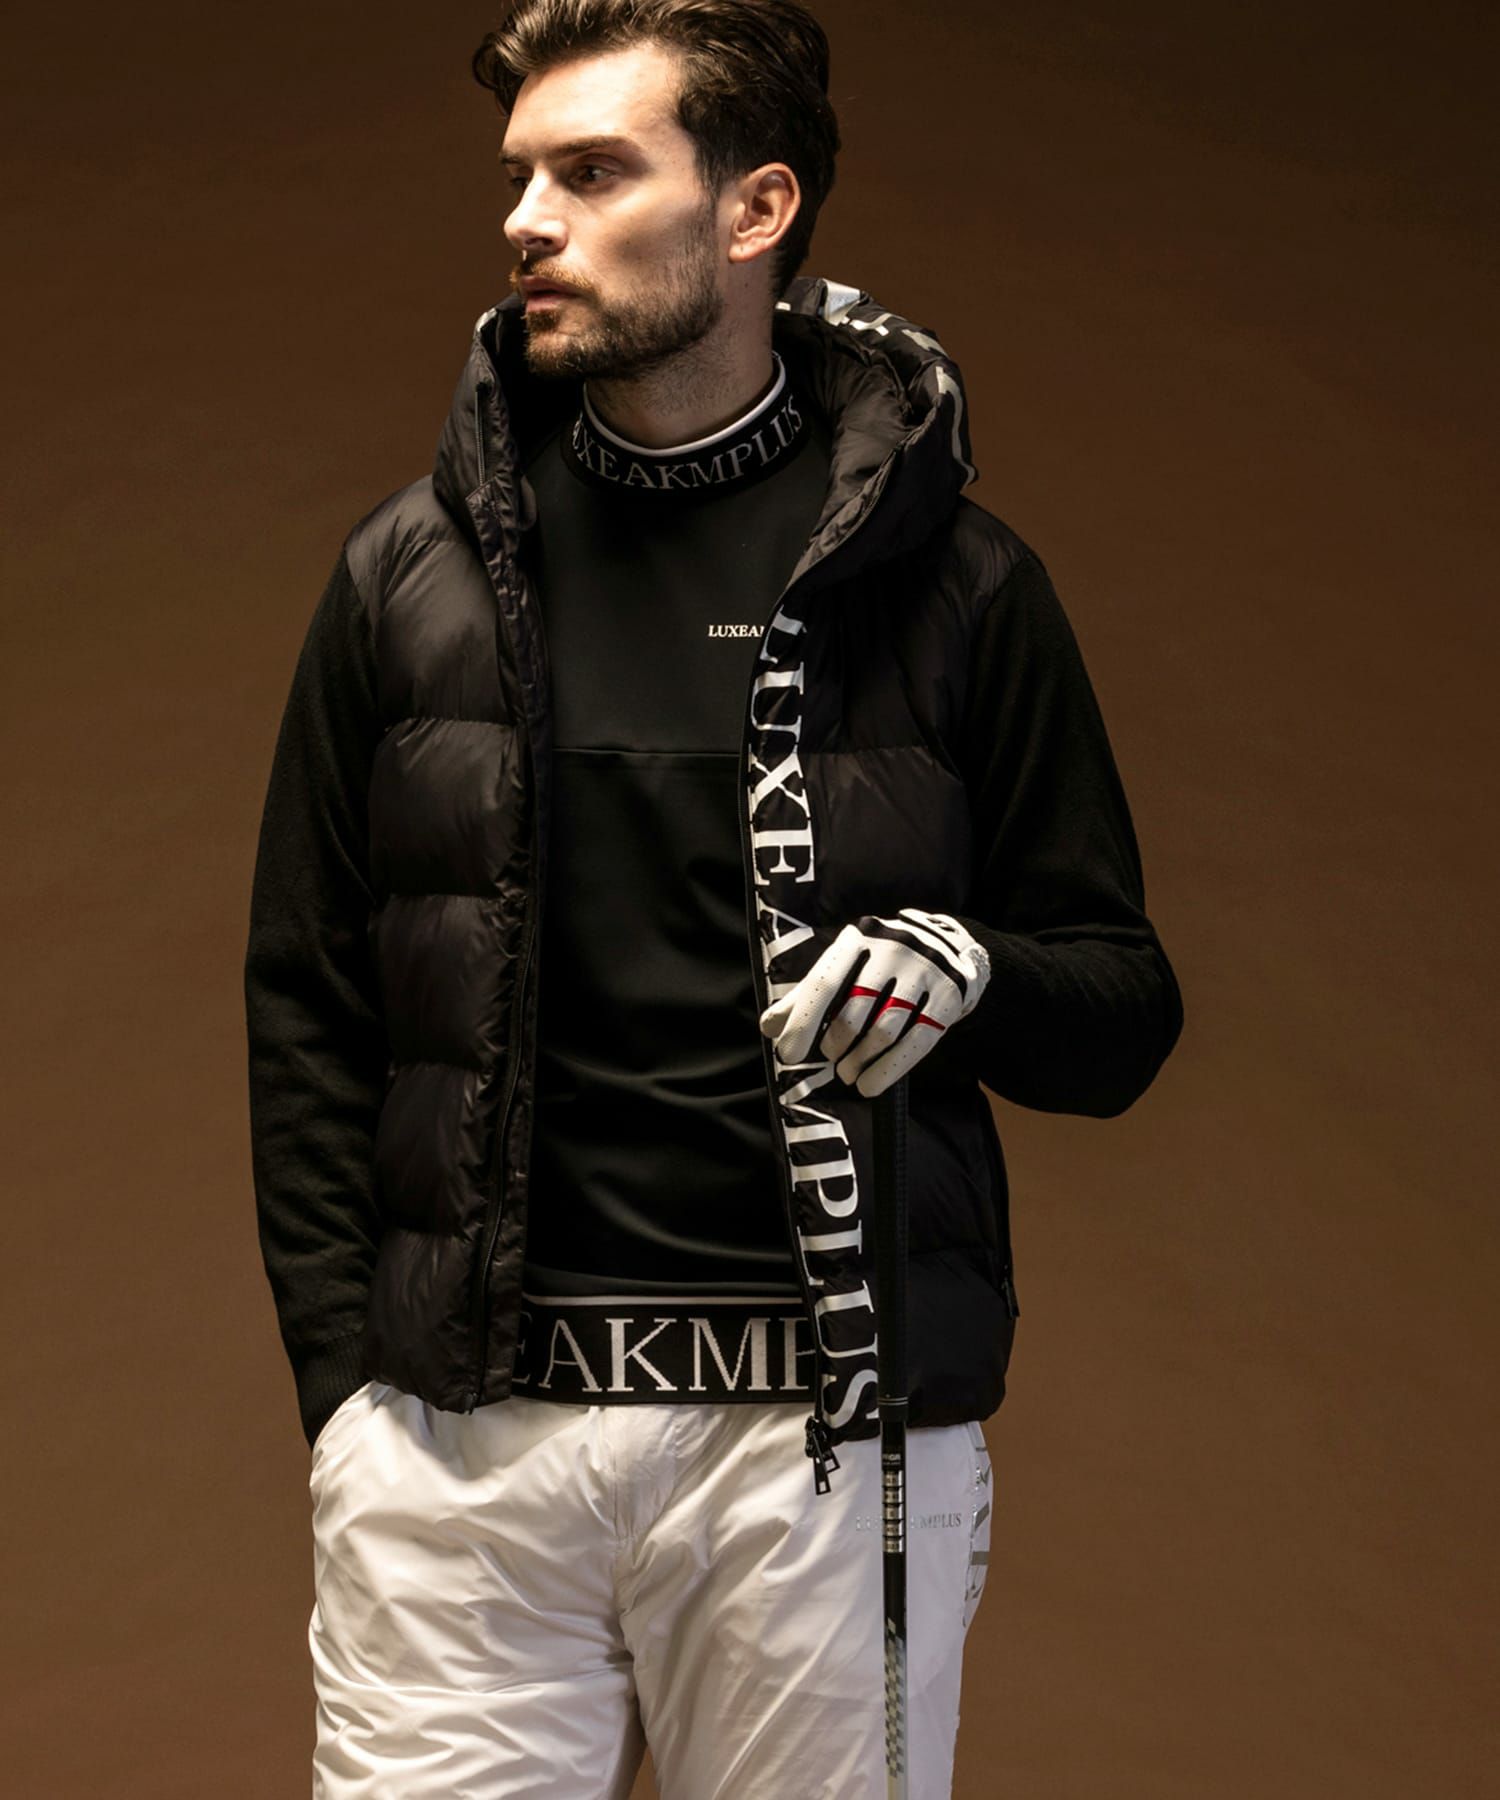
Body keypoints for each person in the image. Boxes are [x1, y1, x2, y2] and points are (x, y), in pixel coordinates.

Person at [242, 2, 1185, 1794]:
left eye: (593, 173)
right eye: (520, 175)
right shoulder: (408, 577)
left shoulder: (957, 586)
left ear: (756, 210)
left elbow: (1122, 1005)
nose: (527, 219)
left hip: (822, 1459)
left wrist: (971, 971)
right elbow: (307, 993)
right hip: (458, 1458)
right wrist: (350, 1396)